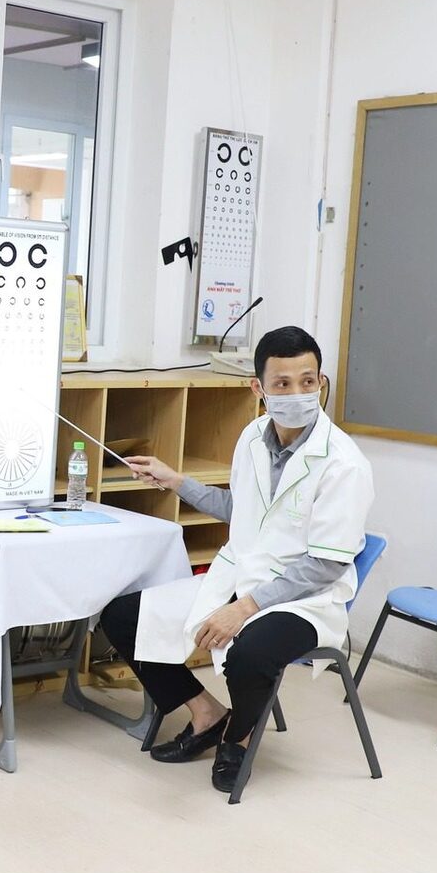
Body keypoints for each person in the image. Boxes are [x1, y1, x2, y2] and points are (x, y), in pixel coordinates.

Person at [98, 326, 374, 795]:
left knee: (250, 653)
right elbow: (242, 509)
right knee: (122, 617)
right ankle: (207, 714)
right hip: (240, 574)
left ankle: (239, 738)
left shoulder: (344, 463)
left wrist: (244, 607)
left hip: (306, 597)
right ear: (258, 388)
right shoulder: (251, 437)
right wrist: (175, 481)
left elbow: (326, 565)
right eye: (282, 383)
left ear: (321, 382)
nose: (297, 393)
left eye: (308, 381)